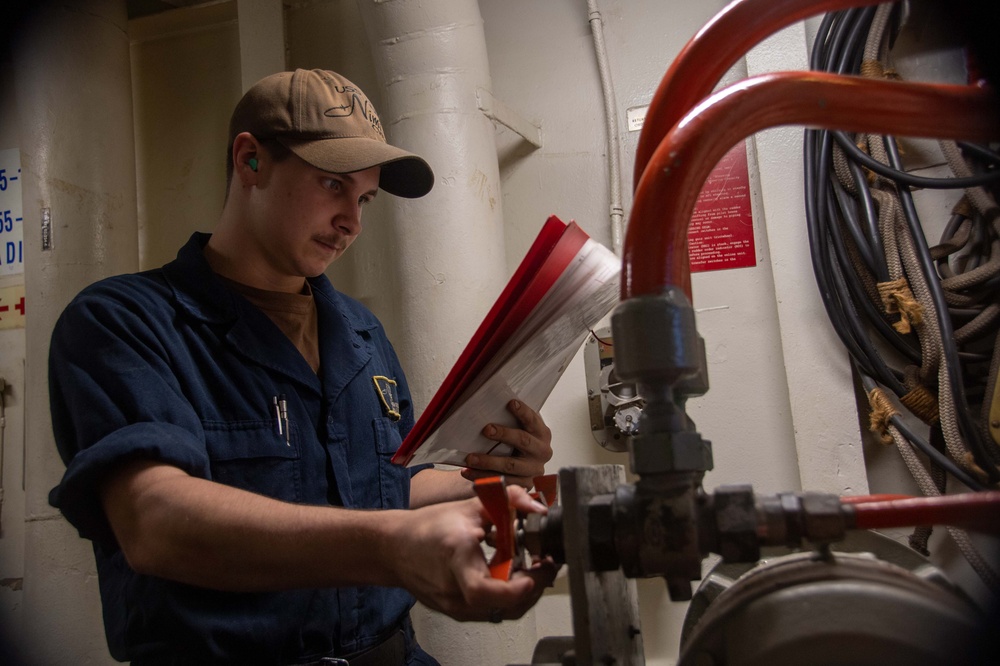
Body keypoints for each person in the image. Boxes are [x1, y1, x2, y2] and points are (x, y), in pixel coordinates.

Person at [47, 69, 557, 666]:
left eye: (363, 197)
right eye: (332, 184)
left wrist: (495, 476)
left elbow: (387, 484)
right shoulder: (126, 323)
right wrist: (393, 548)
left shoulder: (363, 335)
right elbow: (154, 520)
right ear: (249, 161)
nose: (353, 221)